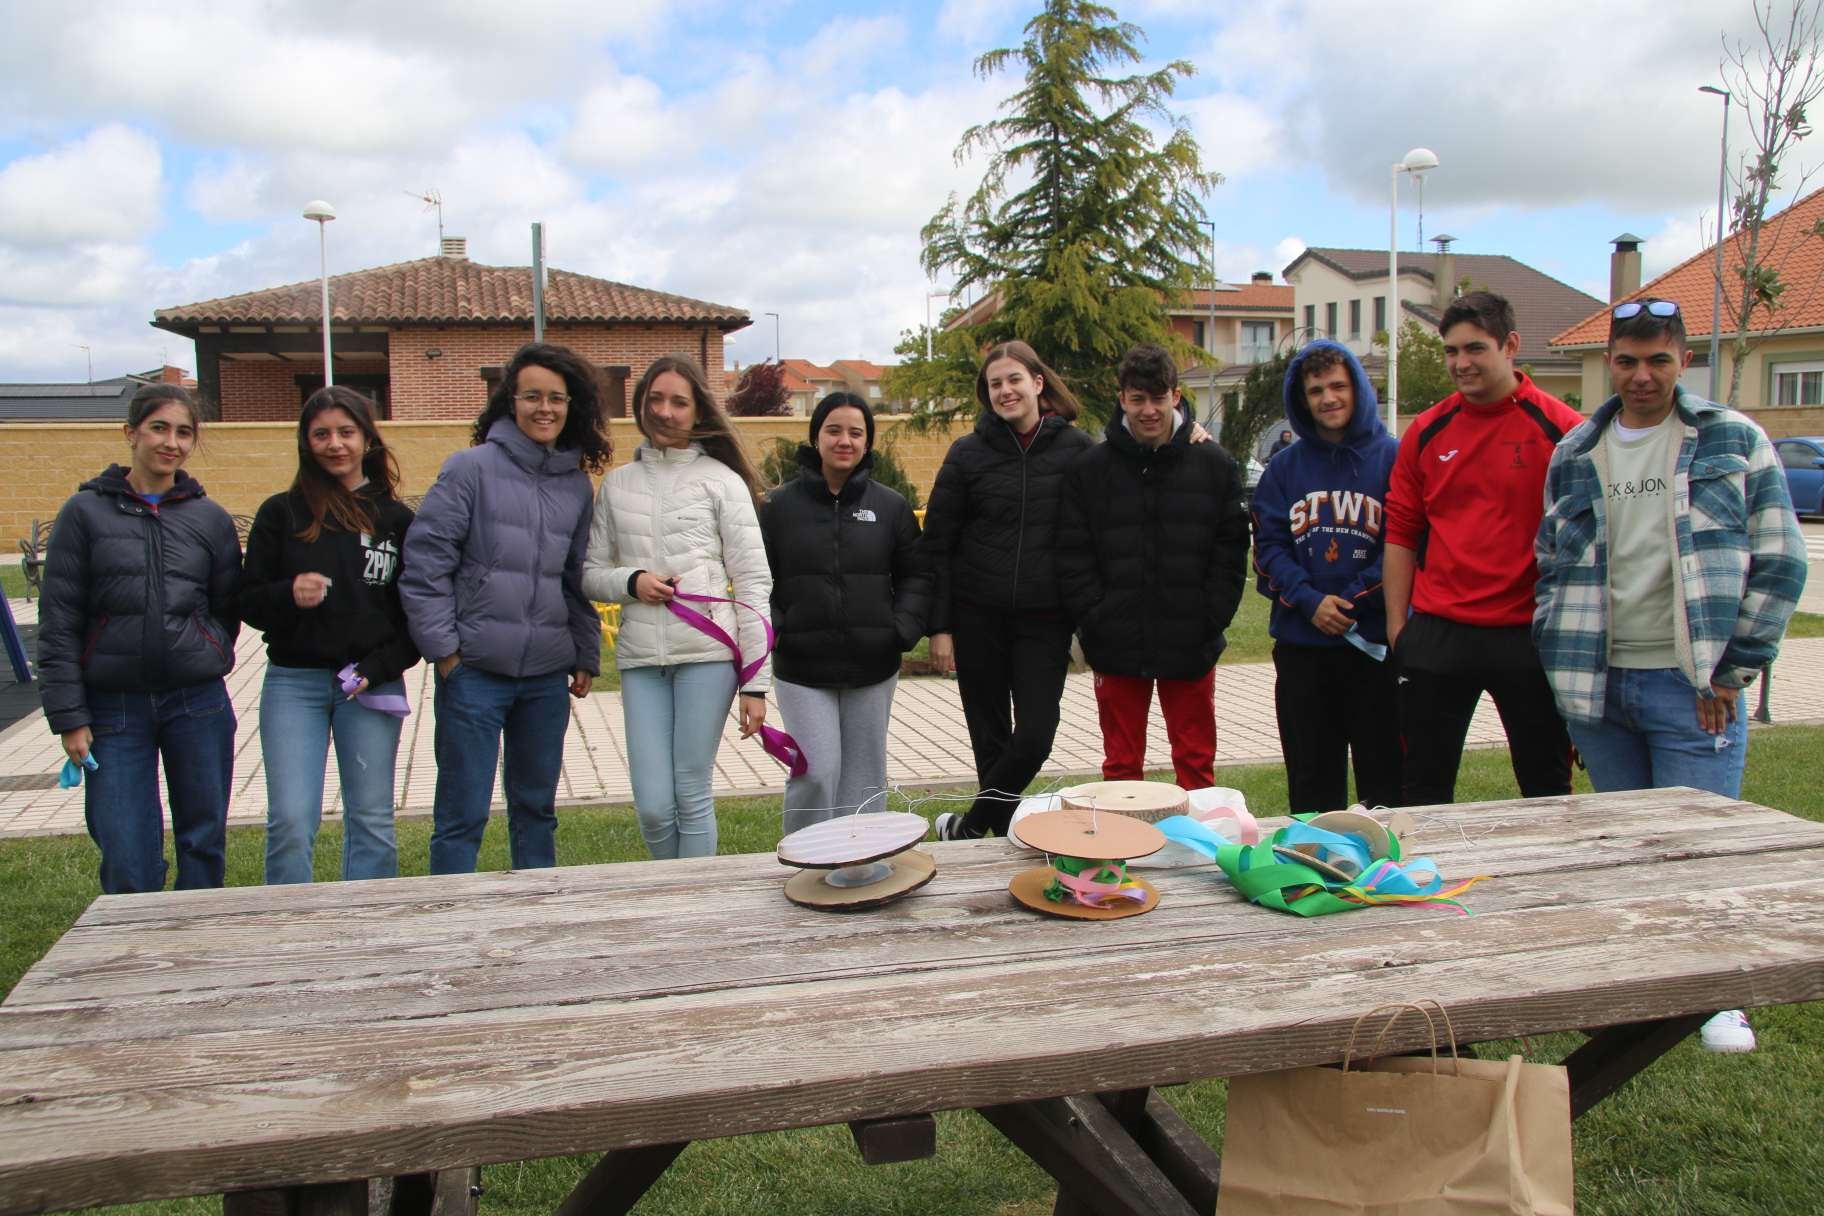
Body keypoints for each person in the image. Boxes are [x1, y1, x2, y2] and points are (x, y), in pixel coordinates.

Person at [1534, 298, 1805, 1053]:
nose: (1642, 375)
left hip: (1694, 687)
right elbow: (1551, 563)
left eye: (1658, 359)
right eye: (1627, 360)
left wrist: (1734, 672)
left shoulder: (1733, 441)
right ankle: (1639, 989)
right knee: (1626, 847)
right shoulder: (1577, 451)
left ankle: (1716, 998)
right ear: (1611, 363)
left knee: (1697, 849)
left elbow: (1781, 562)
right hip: (1600, 683)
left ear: (1684, 360)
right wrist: (1563, 668)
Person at [401, 342, 608, 874]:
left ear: (573, 406)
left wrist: (585, 654)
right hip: (474, 674)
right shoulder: (469, 469)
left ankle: (534, 916)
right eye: (532, 396)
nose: (545, 408)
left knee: (536, 810)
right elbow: (425, 565)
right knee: (461, 814)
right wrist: (446, 653)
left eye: (557, 398)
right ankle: (452, 924)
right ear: (510, 402)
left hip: (544, 679)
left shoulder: (576, 486)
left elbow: (573, 576)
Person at [37, 383, 241, 894]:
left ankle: (194, 947)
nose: (171, 442)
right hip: (113, 709)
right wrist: (69, 716)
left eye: (183, 432)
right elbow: (59, 620)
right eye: (159, 428)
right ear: (131, 433)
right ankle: (132, 953)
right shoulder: (83, 514)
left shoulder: (209, 519)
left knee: (203, 839)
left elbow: (226, 608)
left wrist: (209, 645)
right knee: (127, 851)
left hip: (197, 704)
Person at [1383, 290, 1584, 805]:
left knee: (1547, 786)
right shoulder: (1427, 432)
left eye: (1475, 349)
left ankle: (1549, 882)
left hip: (1528, 634)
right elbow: (1402, 531)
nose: (1460, 363)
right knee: (1423, 788)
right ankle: (1422, 885)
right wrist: (1398, 629)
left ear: (1511, 345)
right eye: (1451, 351)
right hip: (1439, 632)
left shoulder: (1565, 432)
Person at [582, 355, 772, 858]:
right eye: (656, 400)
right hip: (641, 659)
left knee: (690, 792)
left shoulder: (722, 481)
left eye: (679, 402)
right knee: (651, 804)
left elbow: (753, 582)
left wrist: (756, 681)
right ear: (641, 405)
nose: (666, 412)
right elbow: (588, 573)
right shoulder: (616, 486)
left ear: (696, 411)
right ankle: (669, 895)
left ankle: (696, 907)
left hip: (707, 657)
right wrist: (631, 581)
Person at [238, 386, 419, 883]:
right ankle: (290, 928)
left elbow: (415, 621)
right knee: (292, 820)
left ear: (366, 439)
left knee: (373, 820)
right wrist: (286, 594)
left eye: (346, 432)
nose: (335, 444)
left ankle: (366, 930)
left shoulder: (396, 521)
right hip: (294, 685)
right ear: (306, 442)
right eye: (322, 434)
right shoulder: (282, 513)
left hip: (371, 686)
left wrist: (376, 669)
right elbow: (246, 600)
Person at [1056, 344, 1250, 790]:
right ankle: (1120, 860)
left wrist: (1209, 617)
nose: (1149, 410)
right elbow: (1073, 553)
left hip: (1191, 639)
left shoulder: (1215, 465)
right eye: (1138, 399)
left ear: (1176, 397)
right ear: (1121, 398)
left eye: (1158, 398)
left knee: (1196, 766)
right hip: (1117, 641)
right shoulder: (1090, 470)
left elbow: (1231, 550)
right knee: (1121, 768)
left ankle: (1199, 856)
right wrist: (1096, 617)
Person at [924, 340, 1096, 840]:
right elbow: (938, 545)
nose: (1005, 391)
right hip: (977, 619)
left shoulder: (1078, 451)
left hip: (1045, 621)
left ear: (1038, 384)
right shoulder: (967, 454)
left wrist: (1190, 431)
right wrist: (940, 626)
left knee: (1036, 736)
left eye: (1014, 380)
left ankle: (969, 827)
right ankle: (991, 843)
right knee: (990, 741)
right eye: (995, 384)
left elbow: (1124, 483)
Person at [759, 392, 932, 835]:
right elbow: (759, 578)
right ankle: (804, 861)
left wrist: (901, 629)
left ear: (867, 442)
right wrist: (779, 630)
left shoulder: (891, 506)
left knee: (864, 779)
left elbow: (918, 574)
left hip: (874, 663)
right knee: (815, 771)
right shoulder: (778, 507)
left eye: (856, 432)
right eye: (834, 430)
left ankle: (862, 870)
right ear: (816, 437)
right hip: (800, 665)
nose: (845, 440)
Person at [1250, 340, 1403, 813]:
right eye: (1315, 390)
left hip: (1373, 649)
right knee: (1312, 787)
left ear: (1358, 388)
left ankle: (1388, 881)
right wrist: (1311, 601)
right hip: (1302, 650)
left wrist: (1354, 601)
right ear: (1302, 399)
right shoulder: (1283, 469)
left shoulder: (1394, 458)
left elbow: (1404, 542)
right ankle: (1317, 879)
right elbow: (1269, 548)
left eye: (1338, 386)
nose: (1328, 398)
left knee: (1386, 784)